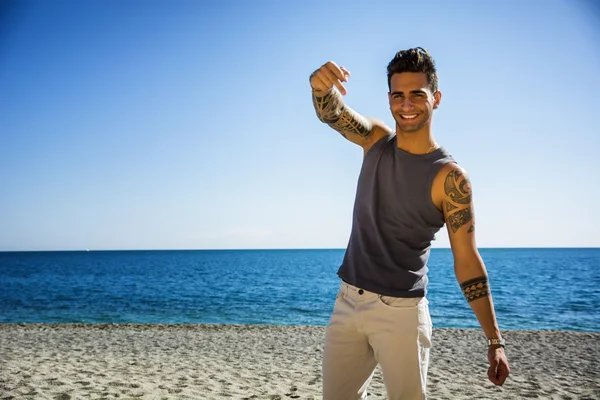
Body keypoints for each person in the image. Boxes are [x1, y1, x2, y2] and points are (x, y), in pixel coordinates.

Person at [309, 47, 510, 400]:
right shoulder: (375, 141)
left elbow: (467, 261)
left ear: (436, 98)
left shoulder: (450, 178)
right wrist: (319, 89)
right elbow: (332, 114)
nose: (407, 104)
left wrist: (494, 340)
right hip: (347, 301)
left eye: (417, 94)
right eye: (398, 95)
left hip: (401, 314)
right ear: (389, 99)